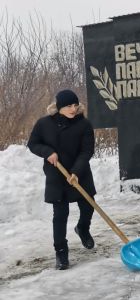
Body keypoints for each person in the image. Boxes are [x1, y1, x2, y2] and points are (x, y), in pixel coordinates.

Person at [27, 89, 97, 269]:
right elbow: (33, 144)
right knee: (60, 214)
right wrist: (47, 152)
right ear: (58, 107)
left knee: (88, 205)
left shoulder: (84, 125)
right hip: (56, 174)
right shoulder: (44, 124)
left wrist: (76, 171)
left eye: (75, 105)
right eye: (68, 106)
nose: (73, 109)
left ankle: (82, 228)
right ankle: (61, 252)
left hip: (79, 172)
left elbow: (86, 150)